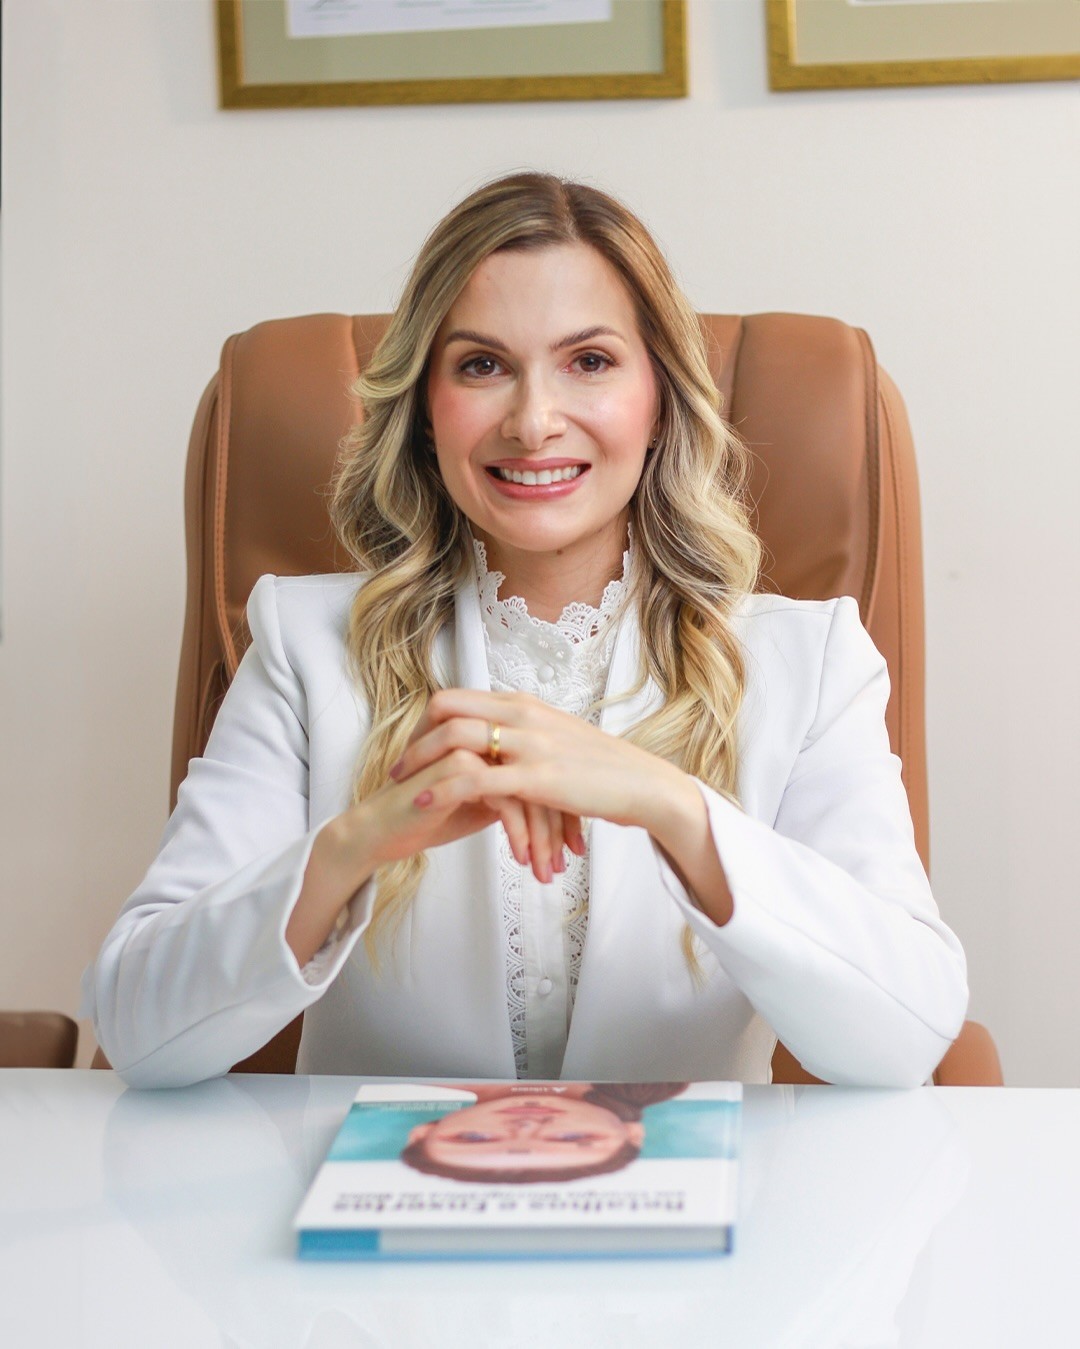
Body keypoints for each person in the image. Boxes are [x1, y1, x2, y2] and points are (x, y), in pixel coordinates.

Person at [84, 172, 968, 1090]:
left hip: (690, 1182)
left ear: (659, 397)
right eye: (482, 365)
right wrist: (358, 843)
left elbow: (903, 1038)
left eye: (589, 361)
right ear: (425, 411)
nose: (534, 422)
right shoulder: (306, 646)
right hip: (377, 1181)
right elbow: (140, 1031)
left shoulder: (809, 662)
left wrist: (672, 806)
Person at [399, 1083, 687, 1184]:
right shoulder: (661, 1081)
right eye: (573, 1138)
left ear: (423, 1133)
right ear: (632, 1133)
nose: (525, 1126)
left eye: (474, 1138)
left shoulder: (407, 1078)